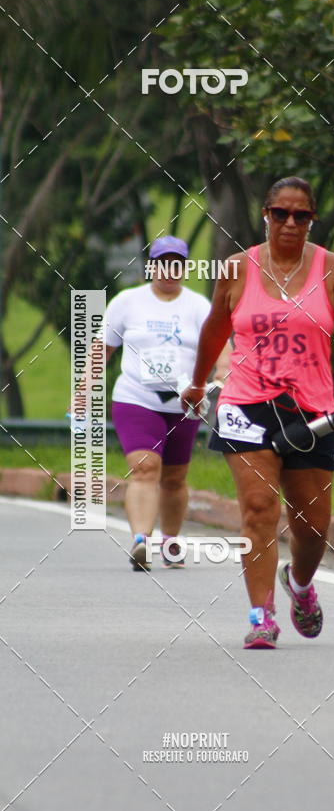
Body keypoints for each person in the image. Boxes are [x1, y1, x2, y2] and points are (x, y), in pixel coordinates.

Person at [182, 177, 334, 648]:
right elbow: (215, 329)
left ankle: (299, 582)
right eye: (280, 214)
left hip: (310, 410)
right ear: (266, 215)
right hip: (246, 403)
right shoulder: (237, 269)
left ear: (312, 219)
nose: (290, 223)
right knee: (257, 509)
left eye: (301, 216)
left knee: (312, 529)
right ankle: (260, 616)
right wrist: (197, 383)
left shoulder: (330, 268)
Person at [99, 235, 229, 570]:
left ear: (184, 268)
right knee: (145, 468)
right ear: (150, 266)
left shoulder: (199, 306)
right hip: (136, 399)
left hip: (184, 404)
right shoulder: (127, 302)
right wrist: (83, 392)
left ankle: (170, 540)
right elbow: (103, 350)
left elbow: (222, 350)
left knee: (174, 477)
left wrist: (221, 379)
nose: (169, 270)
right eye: (162, 263)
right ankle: (141, 540)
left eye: (177, 264)